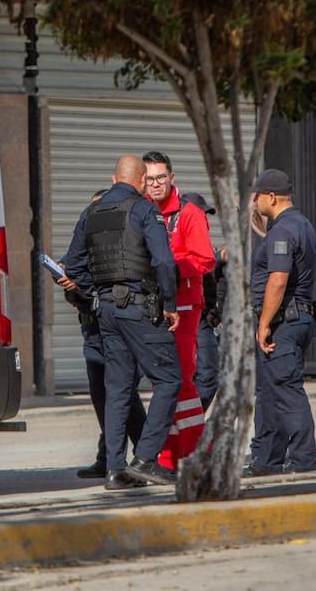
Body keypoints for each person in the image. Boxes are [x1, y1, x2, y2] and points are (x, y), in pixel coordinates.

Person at [63, 154, 181, 489]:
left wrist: (96, 292)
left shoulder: (90, 212)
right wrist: (169, 304)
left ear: (114, 179)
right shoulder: (144, 209)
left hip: (106, 312)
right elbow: (163, 261)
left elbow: (73, 265)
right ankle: (145, 459)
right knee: (169, 378)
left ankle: (115, 470)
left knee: (117, 389)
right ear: (142, 180)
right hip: (139, 308)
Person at [57, 189, 147, 479]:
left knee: (122, 394)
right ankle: (108, 457)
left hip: (116, 323)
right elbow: (73, 269)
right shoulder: (84, 244)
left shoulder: (120, 244)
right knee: (102, 395)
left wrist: (81, 285)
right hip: (92, 330)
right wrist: (68, 281)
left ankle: (144, 456)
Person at [141, 152, 214, 470]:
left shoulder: (189, 213)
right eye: (150, 178)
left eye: (161, 177)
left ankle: (199, 452)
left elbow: (205, 259)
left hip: (183, 306)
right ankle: (168, 457)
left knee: (181, 379)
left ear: (171, 178)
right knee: (165, 384)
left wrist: (168, 268)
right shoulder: (142, 210)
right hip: (152, 307)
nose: (156, 184)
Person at [246, 168, 316, 476]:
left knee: (286, 389)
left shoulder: (283, 230)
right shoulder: (301, 224)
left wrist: (264, 323)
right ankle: (267, 460)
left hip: (284, 322)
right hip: (295, 318)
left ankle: (303, 459)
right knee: (271, 391)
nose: (255, 202)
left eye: (258, 196)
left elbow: (278, 279)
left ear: (272, 197)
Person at [180, 190, 224, 413]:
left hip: (203, 318)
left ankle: (189, 422)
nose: (203, 219)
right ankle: (183, 423)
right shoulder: (176, 240)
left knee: (207, 377)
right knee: (190, 378)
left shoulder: (203, 242)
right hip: (184, 315)